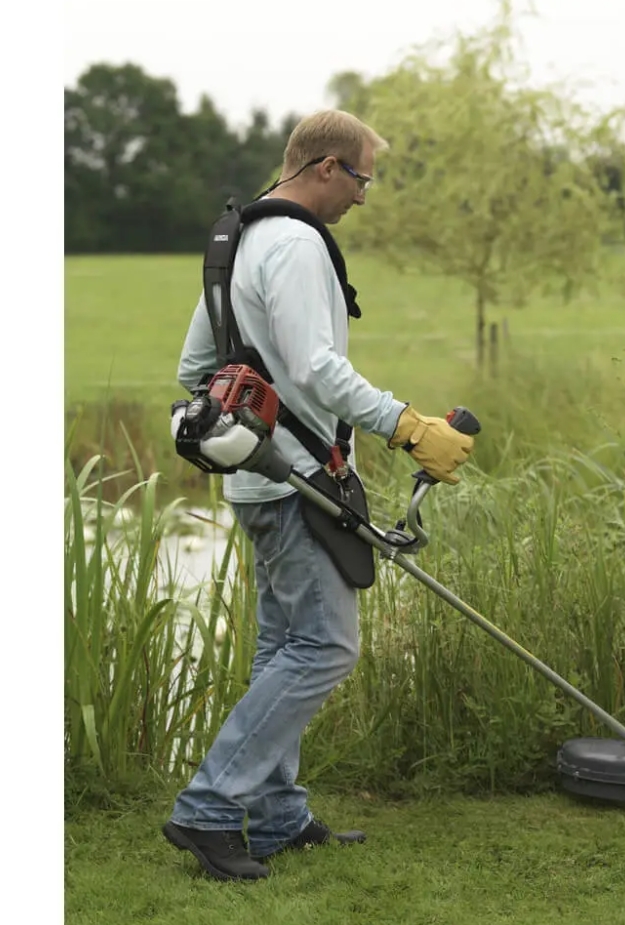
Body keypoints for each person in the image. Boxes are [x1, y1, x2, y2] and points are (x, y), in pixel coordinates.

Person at [162, 109, 475, 882]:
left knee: (282, 644)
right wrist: (407, 424)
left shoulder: (238, 239)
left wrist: (246, 416)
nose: (363, 198)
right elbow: (319, 369)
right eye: (362, 178)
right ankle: (207, 808)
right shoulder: (298, 244)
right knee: (325, 646)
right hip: (300, 474)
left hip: (257, 475)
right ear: (328, 167)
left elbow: (195, 364)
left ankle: (275, 816)